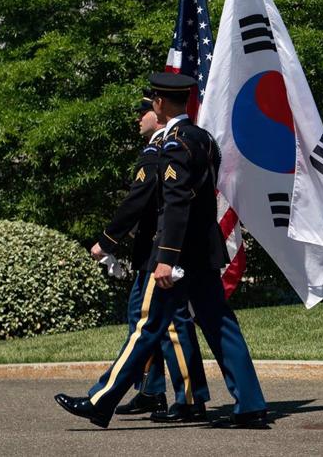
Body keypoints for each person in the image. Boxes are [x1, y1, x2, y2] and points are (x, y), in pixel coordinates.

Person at [55, 73, 267, 429]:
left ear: (159, 103)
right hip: (203, 252)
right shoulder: (203, 139)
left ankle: (100, 401)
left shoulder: (174, 145)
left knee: (147, 326)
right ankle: (250, 404)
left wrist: (166, 258)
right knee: (220, 323)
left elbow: (176, 204)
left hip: (177, 255)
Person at [88, 90, 210, 423]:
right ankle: (152, 389)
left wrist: (107, 241)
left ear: (158, 112)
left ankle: (189, 399)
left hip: (162, 252)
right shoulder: (163, 146)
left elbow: (139, 202)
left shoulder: (161, 149)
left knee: (168, 324)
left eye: (143, 111)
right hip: (151, 252)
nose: (138, 118)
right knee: (144, 321)